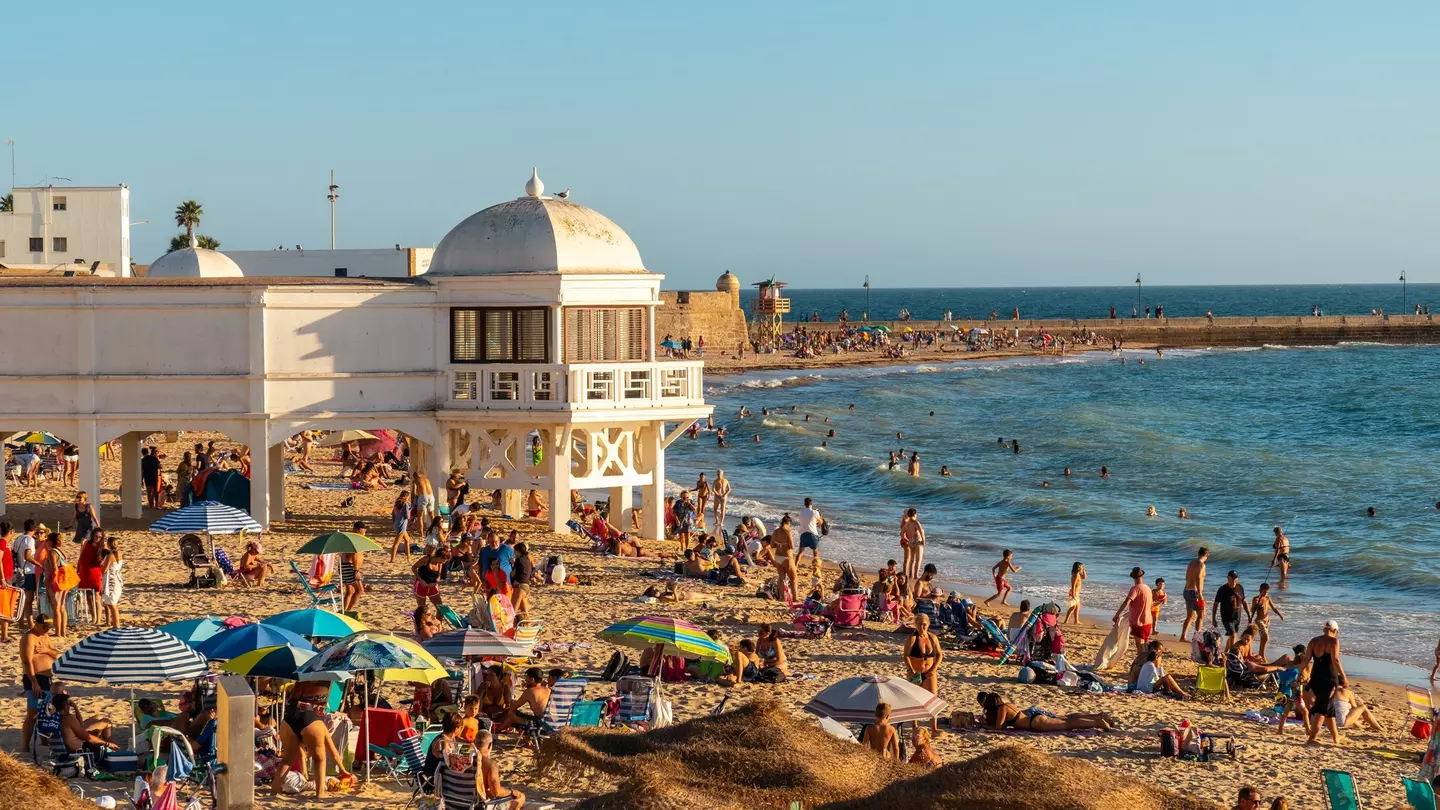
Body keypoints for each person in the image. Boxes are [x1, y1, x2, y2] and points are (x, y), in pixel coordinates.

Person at [1297, 620, 1348, 744]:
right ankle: (1312, 738)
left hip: (1316, 677)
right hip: (1329, 678)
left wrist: (1299, 673)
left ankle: (1336, 737)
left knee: (1328, 708)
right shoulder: (1334, 641)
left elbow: (1307, 659)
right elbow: (1335, 660)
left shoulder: (1314, 641)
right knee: (1322, 708)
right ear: (1335, 630)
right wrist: (1344, 677)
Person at [976, 692, 1111, 732]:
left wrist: (983, 724)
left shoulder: (1001, 709)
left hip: (1036, 723)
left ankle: (1098, 722)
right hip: (1034, 717)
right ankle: (1097, 717)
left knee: (1068, 724)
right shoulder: (1006, 704)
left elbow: (999, 727)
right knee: (1067, 719)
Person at [19, 615, 57, 754]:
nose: (47, 630)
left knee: (46, 711)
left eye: (48, 628)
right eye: (45, 627)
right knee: (33, 714)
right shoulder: (29, 637)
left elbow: (56, 654)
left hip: (46, 679)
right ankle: (25, 746)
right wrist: (34, 683)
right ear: (37, 624)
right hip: (34, 679)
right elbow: (27, 662)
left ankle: (44, 740)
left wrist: (46, 650)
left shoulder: (45, 636)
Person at [905, 614, 943, 728]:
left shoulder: (932, 637)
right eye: (920, 624)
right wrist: (911, 670)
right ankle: (914, 725)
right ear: (916, 625)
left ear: (928, 624)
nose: (922, 627)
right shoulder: (912, 638)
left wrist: (934, 668)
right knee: (914, 699)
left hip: (930, 671)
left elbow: (940, 654)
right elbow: (906, 655)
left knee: (933, 698)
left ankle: (934, 727)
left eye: (924, 624)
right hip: (916, 672)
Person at [53, 693, 118, 757]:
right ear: (66, 706)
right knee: (104, 725)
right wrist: (107, 744)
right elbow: (86, 736)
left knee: (98, 718)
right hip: (81, 751)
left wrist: (75, 708)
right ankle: (112, 751)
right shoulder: (68, 718)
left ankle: (110, 747)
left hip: (63, 751)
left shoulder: (52, 718)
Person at [475, 729, 526, 810]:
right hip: (480, 806)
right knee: (521, 798)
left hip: (458, 802)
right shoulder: (490, 764)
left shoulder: (461, 761)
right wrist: (512, 791)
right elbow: (496, 792)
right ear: (490, 745)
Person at [1212, 570, 1251, 651]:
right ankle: (1232, 655)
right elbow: (1215, 604)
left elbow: (1244, 601)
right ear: (1228, 578)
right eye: (1232, 579)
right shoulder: (1222, 590)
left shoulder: (1240, 587)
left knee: (1232, 636)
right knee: (1233, 635)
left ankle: (1225, 653)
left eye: (1236, 579)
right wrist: (1213, 618)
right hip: (1227, 618)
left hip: (1237, 617)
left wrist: (1249, 614)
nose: (1234, 581)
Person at [1113, 567, 1153, 643]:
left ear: (1133, 577)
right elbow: (1150, 604)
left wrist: (1117, 614)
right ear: (1142, 576)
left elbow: (1127, 602)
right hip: (1148, 621)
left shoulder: (1135, 589)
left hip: (1138, 622)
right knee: (1144, 645)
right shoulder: (1147, 588)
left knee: (1140, 648)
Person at [42, 533, 71, 638]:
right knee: (62, 608)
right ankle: (63, 632)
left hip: (56, 583)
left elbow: (55, 568)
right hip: (64, 583)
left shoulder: (52, 552)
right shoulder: (60, 551)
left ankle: (58, 632)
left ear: (50, 541)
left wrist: (49, 580)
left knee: (56, 608)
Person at [11, 519, 39, 625]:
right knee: (29, 599)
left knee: (22, 597)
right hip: (28, 571)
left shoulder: (18, 538)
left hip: (19, 571)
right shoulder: (30, 540)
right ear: (35, 529)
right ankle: (30, 622)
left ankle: (21, 621)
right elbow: (27, 556)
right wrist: (39, 564)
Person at [75, 526, 104, 625]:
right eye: (96, 536)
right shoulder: (86, 543)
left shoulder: (102, 547)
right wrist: (78, 569)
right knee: (88, 596)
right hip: (85, 571)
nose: (97, 538)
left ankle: (98, 619)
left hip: (95, 572)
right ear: (93, 535)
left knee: (96, 597)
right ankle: (93, 617)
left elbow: (105, 560)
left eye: (100, 537)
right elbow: (81, 556)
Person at [423, 713, 463, 782]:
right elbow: (447, 762)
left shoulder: (450, 738)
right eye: (461, 727)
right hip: (434, 776)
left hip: (440, 772)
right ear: (456, 729)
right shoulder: (443, 742)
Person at [1180, 547, 1209, 642]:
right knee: (1201, 615)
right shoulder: (1202, 565)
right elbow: (1198, 577)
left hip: (1186, 590)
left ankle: (1183, 636)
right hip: (1194, 592)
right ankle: (1196, 638)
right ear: (1207, 555)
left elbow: (1187, 576)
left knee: (1190, 615)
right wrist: (1200, 594)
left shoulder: (1191, 562)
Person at [1251, 583, 1284, 658]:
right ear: (1260, 590)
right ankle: (1263, 655)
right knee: (1266, 638)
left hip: (1267, 621)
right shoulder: (1255, 599)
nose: (1266, 593)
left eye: (1267, 592)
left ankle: (1260, 654)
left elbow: (1273, 608)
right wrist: (1257, 606)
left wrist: (1280, 615)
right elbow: (1252, 610)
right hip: (1259, 621)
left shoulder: (1267, 598)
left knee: (1263, 639)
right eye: (1264, 592)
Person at [339, 521, 367, 612]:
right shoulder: (356, 540)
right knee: (360, 591)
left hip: (344, 566)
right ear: (359, 530)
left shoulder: (349, 538)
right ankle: (348, 611)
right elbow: (355, 555)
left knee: (350, 591)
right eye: (364, 529)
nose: (365, 531)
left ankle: (344, 611)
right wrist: (356, 570)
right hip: (350, 567)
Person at [98, 534, 124, 629]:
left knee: (112, 604)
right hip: (117, 578)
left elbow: (104, 570)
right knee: (112, 603)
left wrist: (101, 564)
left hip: (111, 580)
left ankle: (116, 625)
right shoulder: (119, 553)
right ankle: (115, 624)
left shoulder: (110, 556)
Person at [771, 514, 798, 601]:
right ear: (788, 523)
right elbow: (792, 546)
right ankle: (795, 598)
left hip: (778, 556)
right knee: (793, 578)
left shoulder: (775, 531)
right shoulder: (787, 532)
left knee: (781, 578)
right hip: (787, 557)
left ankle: (783, 597)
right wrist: (785, 544)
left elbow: (772, 545)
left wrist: (779, 544)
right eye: (790, 524)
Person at [797, 497, 825, 574]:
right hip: (812, 534)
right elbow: (821, 522)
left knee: (800, 552)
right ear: (811, 504)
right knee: (815, 552)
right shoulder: (815, 512)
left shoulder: (801, 512)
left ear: (804, 504)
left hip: (803, 534)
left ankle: (795, 565)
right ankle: (816, 568)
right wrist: (820, 515)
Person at [899, 508, 925, 593]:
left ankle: (910, 574)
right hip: (917, 540)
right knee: (918, 559)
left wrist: (907, 540)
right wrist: (923, 541)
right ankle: (916, 575)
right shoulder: (916, 522)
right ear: (914, 514)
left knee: (912, 560)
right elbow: (921, 531)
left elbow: (901, 533)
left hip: (911, 541)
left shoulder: (907, 524)